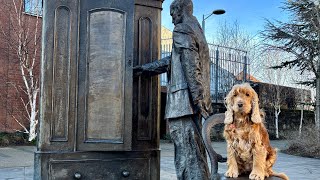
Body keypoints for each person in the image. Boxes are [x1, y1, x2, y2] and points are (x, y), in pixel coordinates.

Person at [134, 0, 212, 179]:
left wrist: (198, 101)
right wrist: (144, 69)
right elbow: (173, 60)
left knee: (187, 156)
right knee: (194, 153)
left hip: (184, 104)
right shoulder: (196, 30)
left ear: (179, 10)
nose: (172, 20)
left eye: (172, 15)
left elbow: (191, 67)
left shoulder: (183, 29)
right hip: (191, 103)